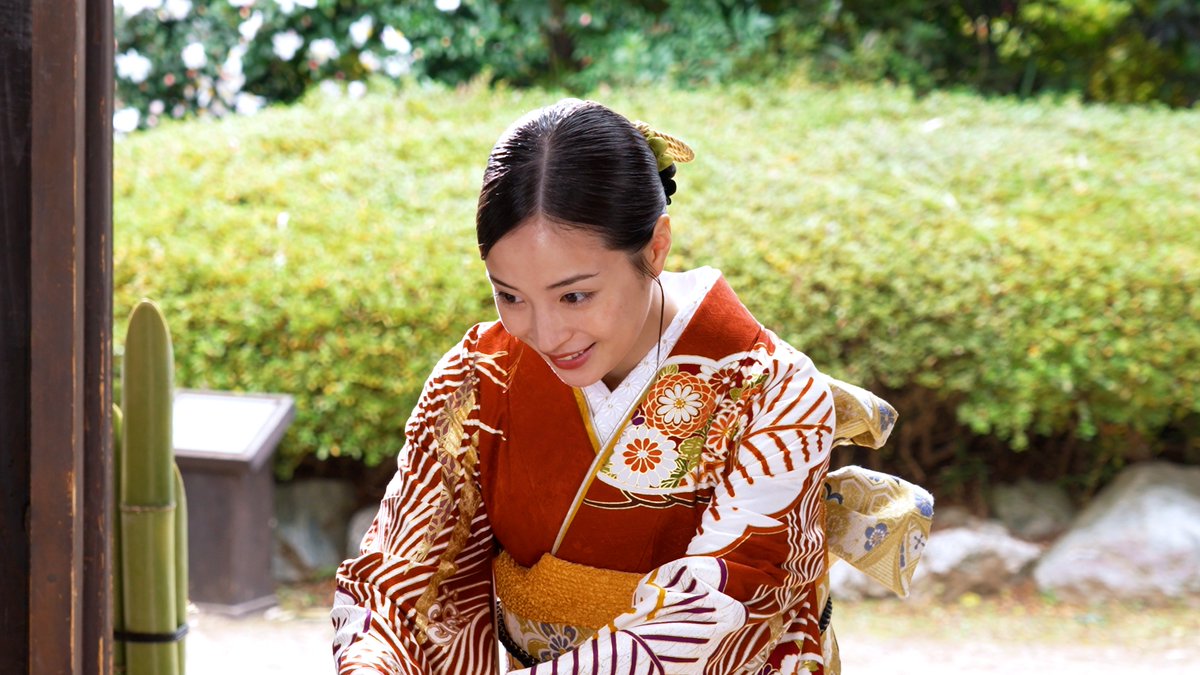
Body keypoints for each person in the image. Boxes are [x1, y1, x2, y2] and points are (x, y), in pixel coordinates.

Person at [331, 99, 933, 675]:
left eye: (575, 295)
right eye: (509, 296)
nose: (543, 332)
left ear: (656, 247)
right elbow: (398, 577)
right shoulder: (479, 376)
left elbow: (711, 612)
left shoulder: (776, 392)